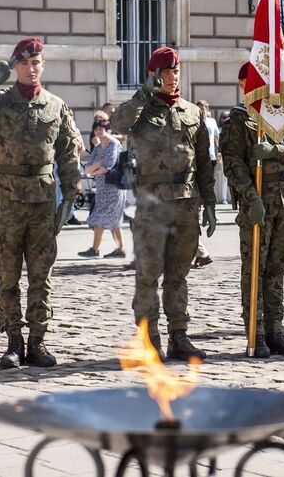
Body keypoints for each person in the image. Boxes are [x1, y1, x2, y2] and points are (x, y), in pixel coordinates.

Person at [0, 36, 81, 369]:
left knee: (40, 276)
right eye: (23, 63)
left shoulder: (56, 105)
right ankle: (13, 342)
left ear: (43, 65)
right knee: (7, 275)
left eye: (36, 62)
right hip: (8, 201)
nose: (31, 68)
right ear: (16, 66)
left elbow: (67, 154)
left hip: (41, 201)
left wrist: (72, 194)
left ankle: (37, 341)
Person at [112, 46, 216, 361]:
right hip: (152, 205)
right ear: (154, 75)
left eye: (175, 71)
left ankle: (179, 336)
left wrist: (209, 202)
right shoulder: (140, 109)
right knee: (148, 273)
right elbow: (118, 124)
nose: (172, 78)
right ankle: (149, 338)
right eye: (166, 72)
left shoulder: (191, 112)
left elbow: (203, 161)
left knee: (178, 274)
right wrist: (145, 93)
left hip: (186, 204)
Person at [220, 62, 284, 357]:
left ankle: (276, 330)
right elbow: (234, 166)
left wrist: (277, 151)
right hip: (257, 204)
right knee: (255, 271)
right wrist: (252, 198)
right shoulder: (238, 120)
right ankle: (256, 332)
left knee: (277, 270)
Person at [77, 112, 127, 259]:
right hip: (102, 188)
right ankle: (120, 249)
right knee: (112, 221)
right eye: (96, 129)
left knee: (101, 218)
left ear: (107, 129)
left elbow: (109, 166)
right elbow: (87, 169)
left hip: (113, 188)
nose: (99, 131)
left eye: (101, 129)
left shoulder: (113, 143)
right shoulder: (98, 147)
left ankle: (94, 249)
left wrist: (96, 168)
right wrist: (97, 166)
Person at [193, 100, 218, 268]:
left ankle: (202, 253)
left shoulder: (210, 122)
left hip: (204, 166)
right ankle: (201, 254)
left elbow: (216, 138)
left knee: (188, 223)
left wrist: (210, 203)